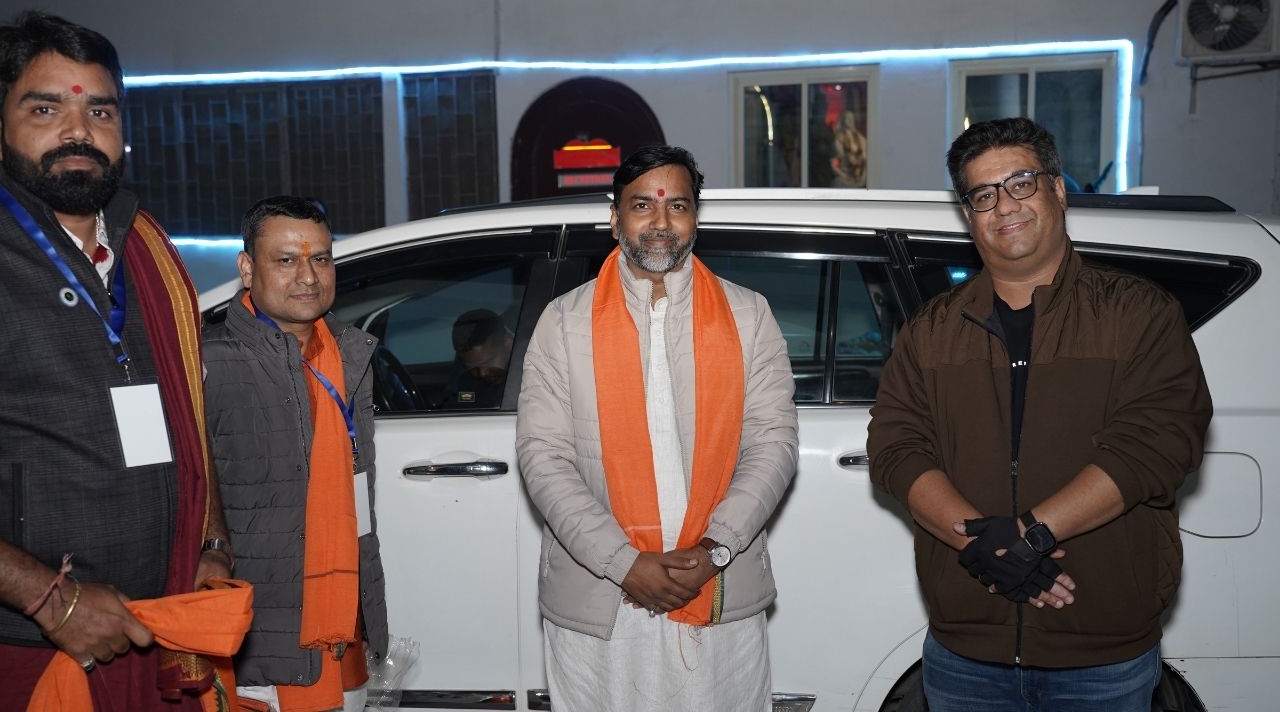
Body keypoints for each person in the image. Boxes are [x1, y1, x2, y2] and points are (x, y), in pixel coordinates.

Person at [868, 117, 1212, 711]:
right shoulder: (931, 328)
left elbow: (1156, 444)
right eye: (983, 194)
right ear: (968, 213)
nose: (1004, 205)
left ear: (1057, 190)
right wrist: (987, 548)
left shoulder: (1138, 313)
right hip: (965, 648)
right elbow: (896, 447)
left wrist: (1031, 537)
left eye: (1021, 183)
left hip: (1100, 650)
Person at [0, 10, 232, 709]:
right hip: (32, 645)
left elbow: (188, 417)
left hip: (154, 627)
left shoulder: (145, 249)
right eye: (45, 109)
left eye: (99, 111)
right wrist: (51, 599)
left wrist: (211, 541)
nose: (78, 131)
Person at [516, 145, 798, 711]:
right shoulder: (564, 321)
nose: (661, 222)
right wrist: (624, 564)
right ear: (614, 218)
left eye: (678, 206)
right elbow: (543, 456)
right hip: (600, 594)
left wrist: (715, 550)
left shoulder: (749, 315)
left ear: (696, 217)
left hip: (717, 584)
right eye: (642, 205)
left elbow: (774, 444)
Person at [202, 196, 388, 712]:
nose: (308, 276)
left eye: (320, 259)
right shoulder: (207, 361)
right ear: (246, 269)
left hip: (343, 621)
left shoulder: (350, 354)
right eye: (285, 260)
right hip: (257, 635)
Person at [437, 308, 514, 408]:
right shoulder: (467, 382)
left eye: (489, 362)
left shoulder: (526, 378)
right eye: (472, 367)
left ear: (508, 342)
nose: (482, 373)